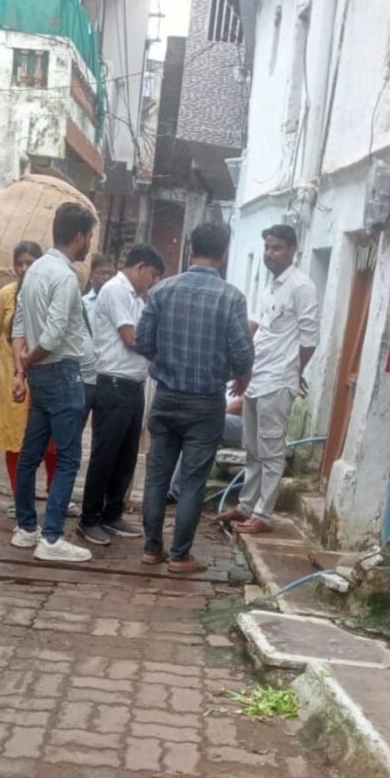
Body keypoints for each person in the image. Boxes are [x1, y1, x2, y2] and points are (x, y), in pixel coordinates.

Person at [134, 222, 255, 575]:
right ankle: (179, 556)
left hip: (166, 396)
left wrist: (166, 361)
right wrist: (227, 370)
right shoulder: (231, 298)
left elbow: (142, 342)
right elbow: (243, 356)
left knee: (157, 476)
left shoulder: (161, 291)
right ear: (224, 255)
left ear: (190, 250)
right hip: (206, 402)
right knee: (192, 481)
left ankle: (151, 550)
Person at [217, 223, 319, 535]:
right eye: (267, 247)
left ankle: (263, 515)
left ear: (292, 250)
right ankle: (246, 506)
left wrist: (295, 371)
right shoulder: (271, 286)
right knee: (252, 448)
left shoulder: (302, 287)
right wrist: (244, 372)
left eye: (277, 248)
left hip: (278, 381)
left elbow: (309, 339)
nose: (270, 253)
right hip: (258, 377)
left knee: (272, 451)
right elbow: (261, 334)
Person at [11, 201, 96, 563]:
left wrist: (22, 369)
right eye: (89, 236)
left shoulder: (34, 271)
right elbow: (54, 335)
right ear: (79, 236)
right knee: (68, 457)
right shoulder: (64, 276)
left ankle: (26, 528)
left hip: (42, 376)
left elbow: (18, 326)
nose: (89, 243)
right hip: (60, 372)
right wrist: (28, 362)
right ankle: (51, 537)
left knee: (30, 454)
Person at [78, 244, 165, 546]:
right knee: (105, 454)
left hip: (134, 385)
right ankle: (89, 518)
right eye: (152, 275)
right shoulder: (116, 290)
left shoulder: (137, 298)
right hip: (114, 384)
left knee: (126, 456)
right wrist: (160, 346)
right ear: (140, 267)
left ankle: (112, 513)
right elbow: (131, 338)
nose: (152, 282)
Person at [0, 242, 58, 514]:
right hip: (12, 379)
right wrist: (10, 361)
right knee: (15, 440)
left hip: (45, 374)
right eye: (20, 263)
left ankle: (54, 492)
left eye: (30, 262)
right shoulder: (6, 295)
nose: (25, 268)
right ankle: (20, 499)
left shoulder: (50, 293)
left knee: (52, 440)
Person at [168, 389, 244, 503]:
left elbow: (241, 403)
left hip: (242, 421)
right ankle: (173, 489)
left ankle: (177, 491)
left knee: (201, 426)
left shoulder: (247, 378)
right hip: (219, 417)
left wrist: (212, 415)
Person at [82, 253, 115, 321]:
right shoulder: (83, 304)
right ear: (91, 276)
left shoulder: (118, 303)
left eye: (110, 273)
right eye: (102, 273)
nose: (106, 277)